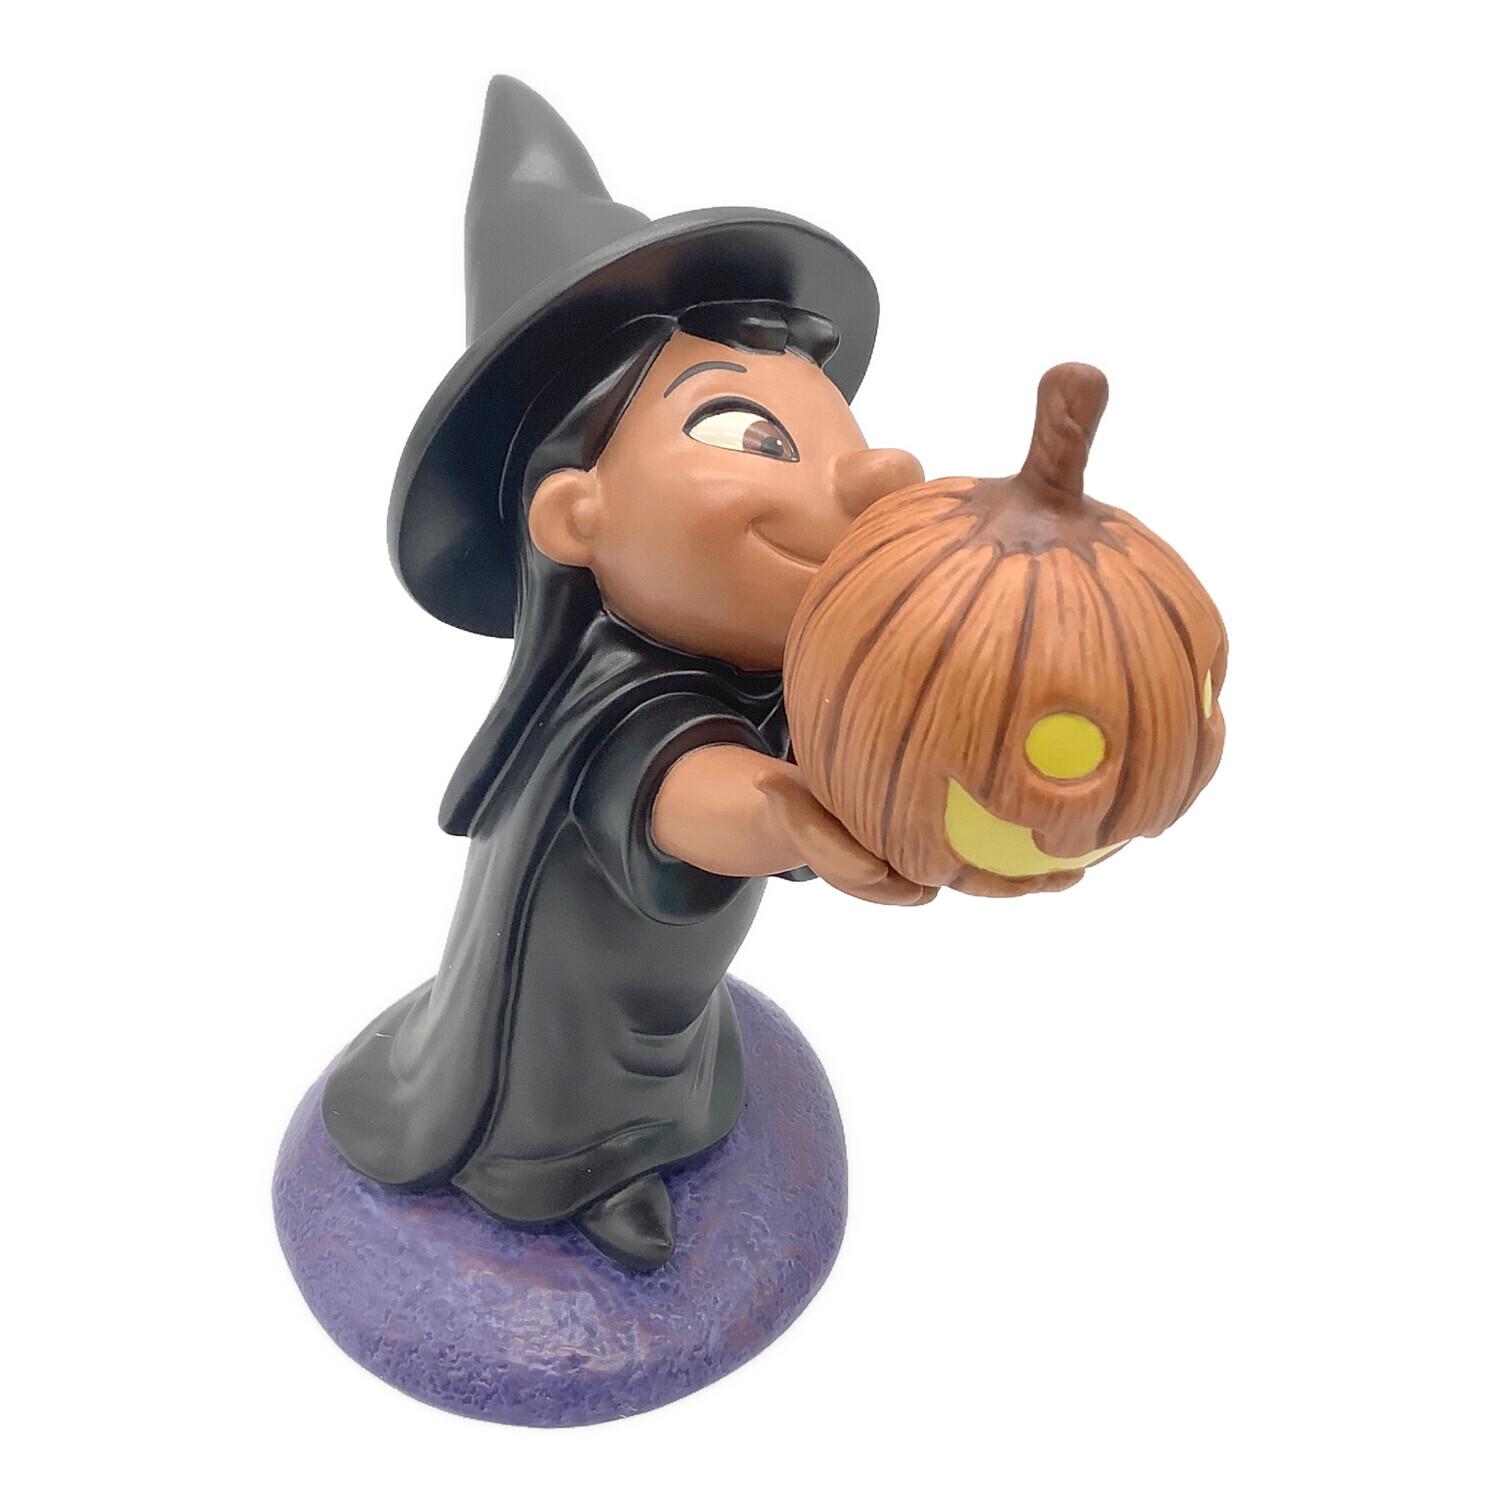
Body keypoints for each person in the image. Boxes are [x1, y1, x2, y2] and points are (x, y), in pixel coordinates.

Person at [322, 78, 927, 1271]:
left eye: (840, 436)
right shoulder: (615, 709)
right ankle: (571, 1177)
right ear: (575, 514)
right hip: (573, 1002)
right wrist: (805, 816)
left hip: (669, 991)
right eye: (750, 436)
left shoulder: (752, 663)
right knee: (575, 1077)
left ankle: (658, 1122)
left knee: (671, 1033)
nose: (863, 477)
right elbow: (695, 796)